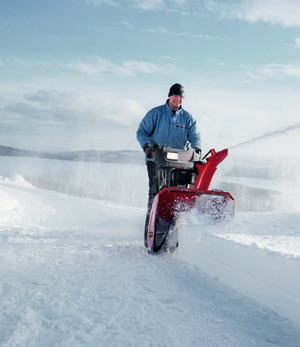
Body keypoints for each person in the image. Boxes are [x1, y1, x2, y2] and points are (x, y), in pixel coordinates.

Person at [136, 83, 201, 216]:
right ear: (169, 96)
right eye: (175, 96)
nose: (178, 99)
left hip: (179, 160)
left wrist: (197, 149)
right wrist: (147, 147)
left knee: (178, 191)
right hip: (155, 158)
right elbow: (142, 132)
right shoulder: (156, 113)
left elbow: (194, 135)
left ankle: (176, 219)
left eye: (181, 97)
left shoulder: (187, 118)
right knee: (155, 189)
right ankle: (151, 222)